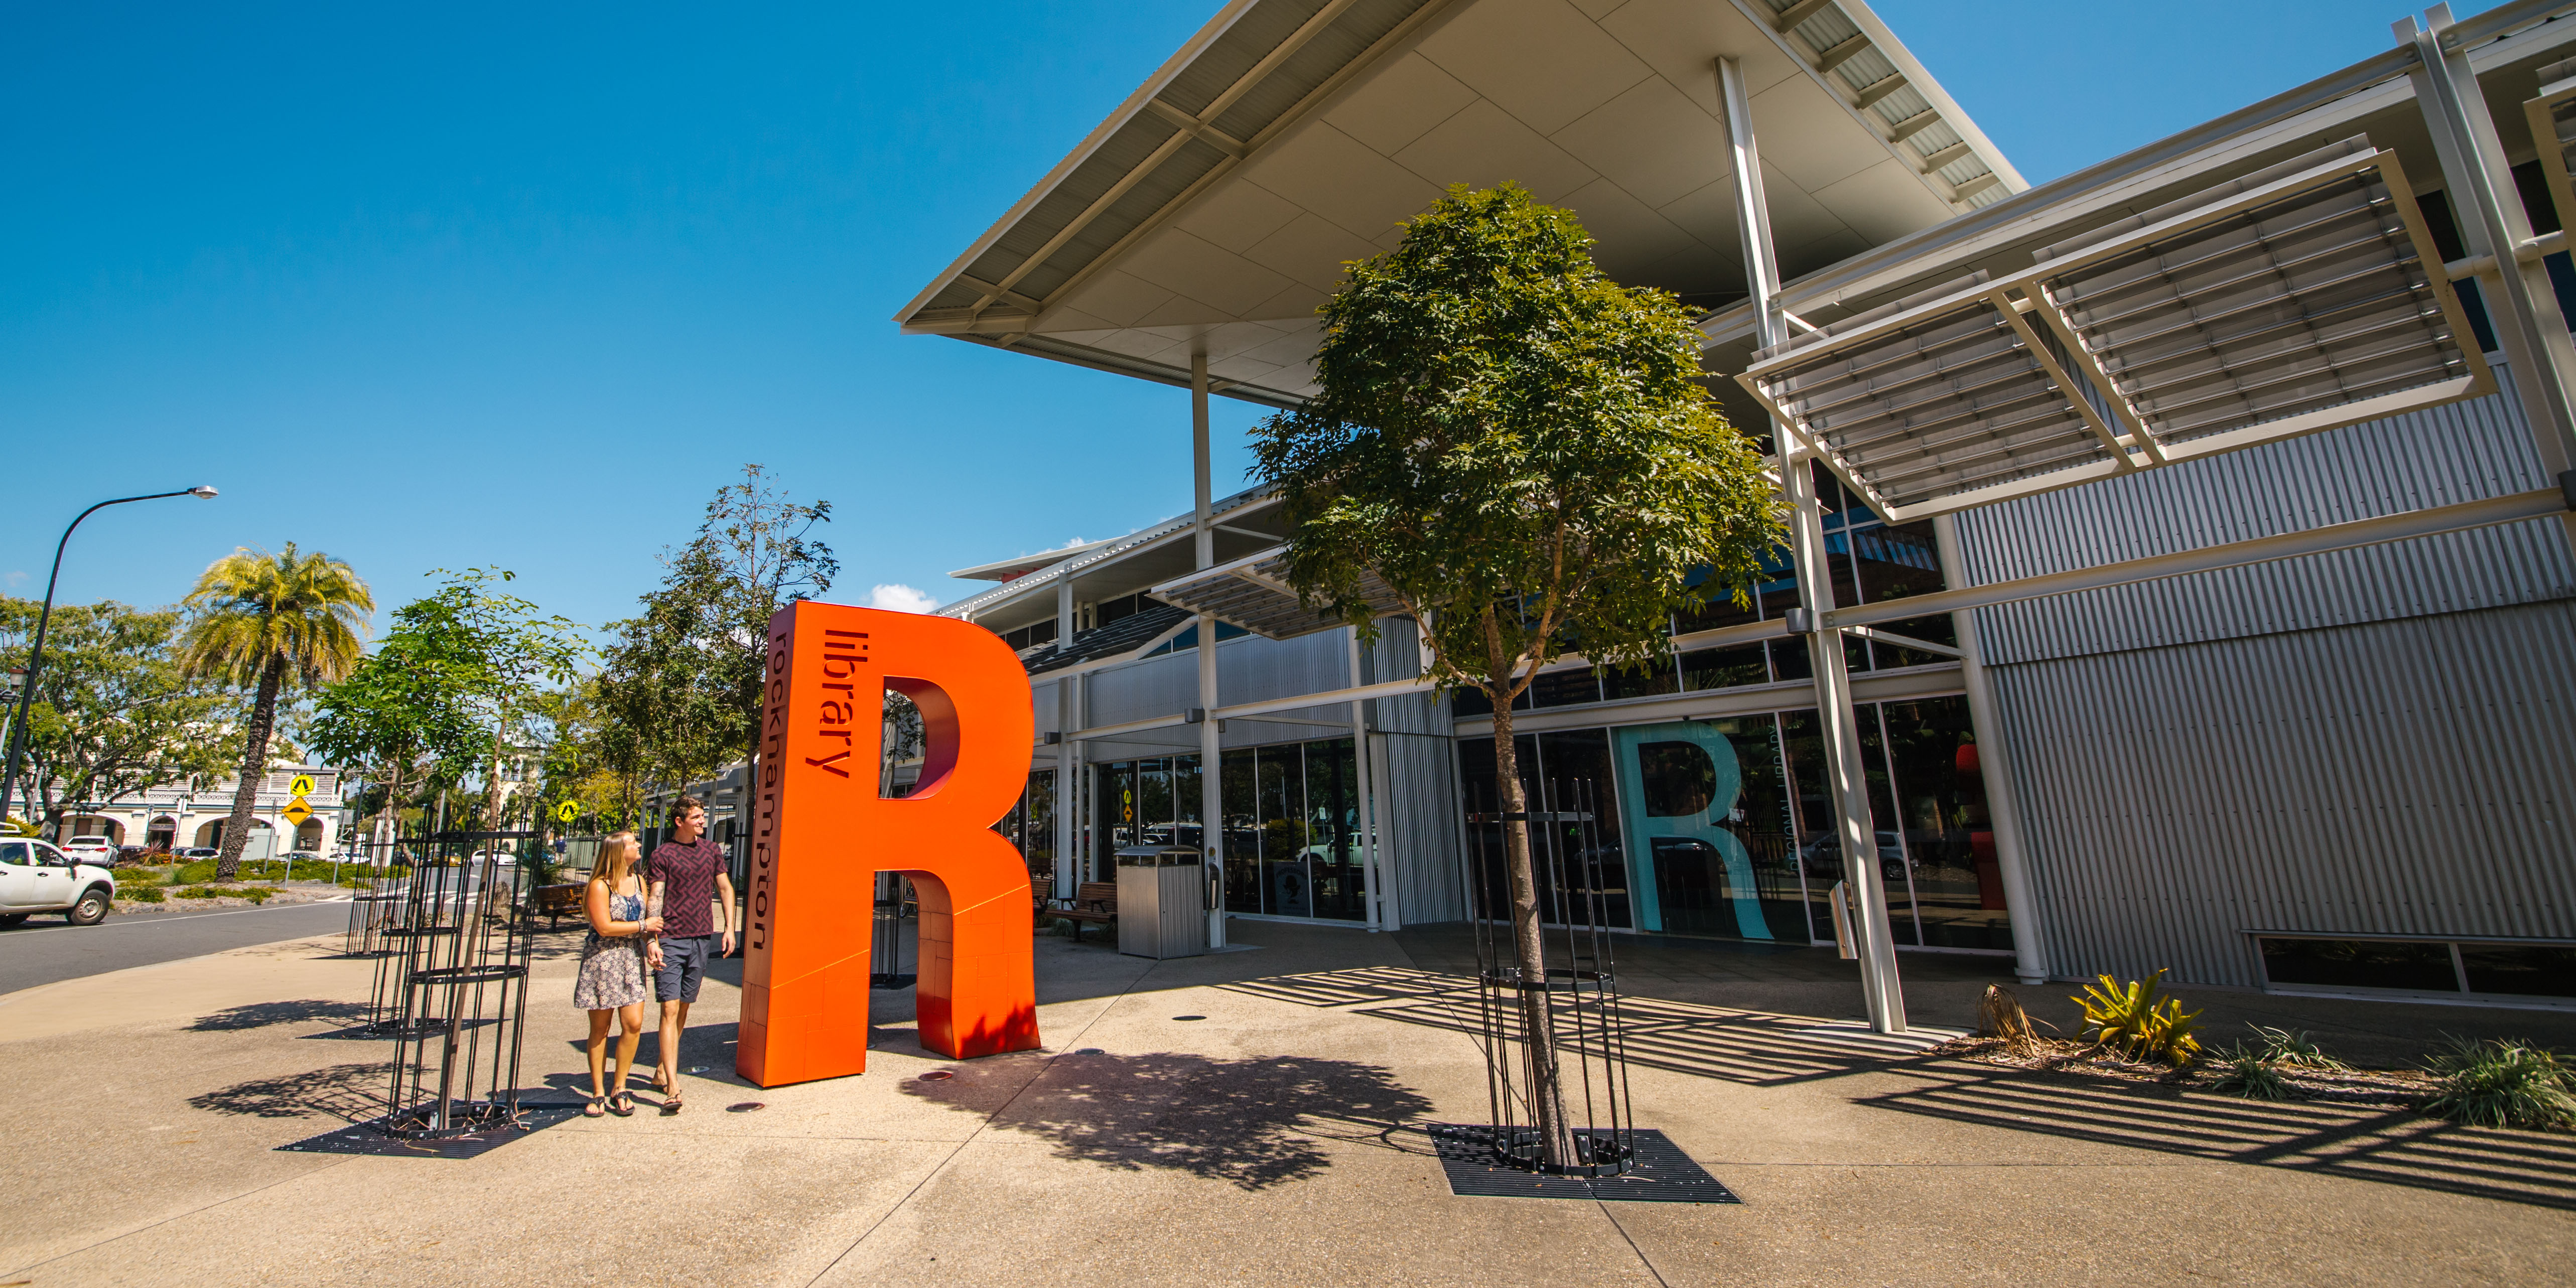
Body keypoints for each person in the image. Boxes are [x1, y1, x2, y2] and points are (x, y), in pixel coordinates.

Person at [646, 794, 736, 1114]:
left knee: (683, 1007)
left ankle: (660, 1069)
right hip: (671, 938)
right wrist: (652, 939)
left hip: (700, 937)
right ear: (679, 821)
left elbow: (725, 888)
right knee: (669, 1009)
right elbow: (656, 896)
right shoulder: (663, 854)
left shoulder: (711, 851)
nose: (702, 821)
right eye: (696, 817)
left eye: (702, 816)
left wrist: (729, 928)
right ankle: (673, 1084)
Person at [574, 832, 662, 1117]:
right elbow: (604, 927)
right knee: (600, 1030)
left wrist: (651, 943)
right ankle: (599, 1092)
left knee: (633, 1024)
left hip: (631, 959)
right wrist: (643, 926)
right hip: (603, 959)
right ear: (617, 851)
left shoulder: (639, 881)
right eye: (633, 842)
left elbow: (648, 920)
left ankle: (620, 1086)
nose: (639, 845)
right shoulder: (600, 886)